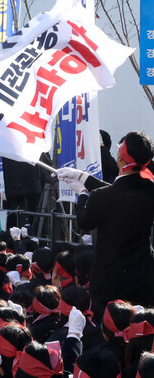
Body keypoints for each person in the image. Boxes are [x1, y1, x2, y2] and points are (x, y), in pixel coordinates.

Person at [65, 131, 154, 306]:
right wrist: (82, 177)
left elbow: (84, 222)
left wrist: (82, 193)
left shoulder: (102, 197)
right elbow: (121, 191)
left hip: (110, 282)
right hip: (145, 277)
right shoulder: (150, 190)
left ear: (120, 157)